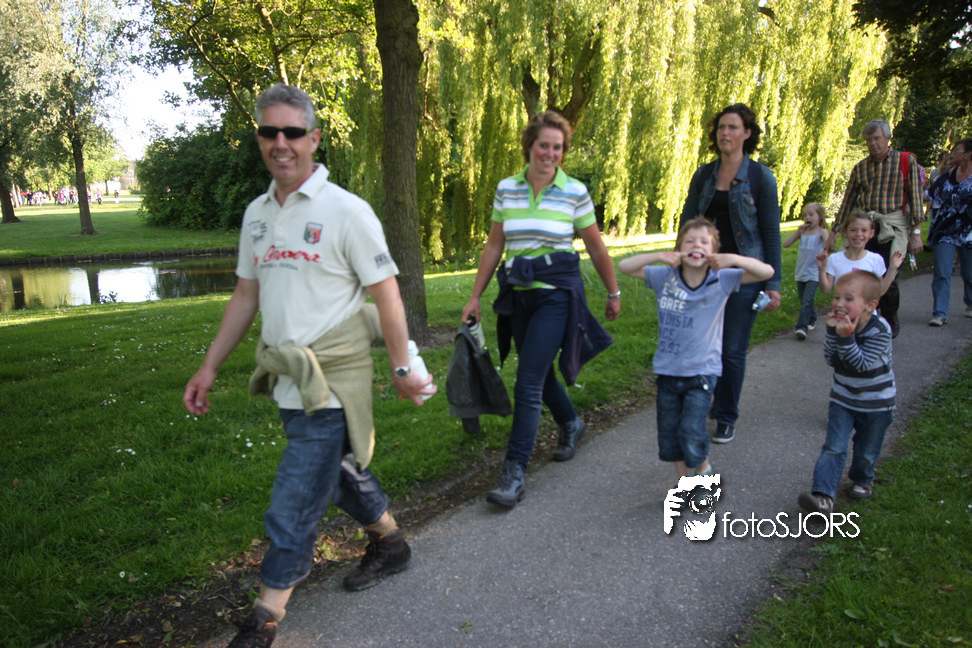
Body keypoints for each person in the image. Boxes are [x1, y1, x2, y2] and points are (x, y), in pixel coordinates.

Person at [183, 84, 435, 648]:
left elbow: (388, 296)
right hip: (288, 379)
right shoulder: (256, 215)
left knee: (294, 501)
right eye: (269, 131)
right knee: (337, 471)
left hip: (333, 382)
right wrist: (209, 368)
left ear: (313, 139)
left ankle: (264, 619)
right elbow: (246, 295)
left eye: (293, 132)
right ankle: (391, 544)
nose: (282, 143)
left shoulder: (346, 211)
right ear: (258, 138)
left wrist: (402, 369)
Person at [460, 110, 620, 509]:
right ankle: (571, 422)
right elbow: (495, 245)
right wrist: (476, 295)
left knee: (528, 381)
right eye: (544, 145)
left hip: (555, 295)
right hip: (517, 294)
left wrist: (613, 291)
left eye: (558, 147)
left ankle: (514, 472)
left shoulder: (574, 191)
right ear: (529, 146)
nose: (550, 153)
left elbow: (596, 245)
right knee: (540, 372)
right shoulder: (507, 189)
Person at [618, 217, 773, 484]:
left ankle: (704, 473)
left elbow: (766, 272)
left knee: (691, 429)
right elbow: (625, 267)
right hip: (668, 370)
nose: (696, 245)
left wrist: (734, 259)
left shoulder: (722, 279)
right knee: (670, 435)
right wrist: (659, 255)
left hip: (702, 371)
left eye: (704, 242)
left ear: (714, 251)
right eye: (689, 241)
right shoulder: (664, 277)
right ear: (679, 248)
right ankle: (683, 483)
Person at [679, 103, 782, 444]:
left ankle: (725, 416)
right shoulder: (703, 176)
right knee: (704, 344)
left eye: (733, 127)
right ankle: (708, 400)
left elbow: (770, 235)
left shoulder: (761, 178)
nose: (725, 133)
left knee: (732, 349)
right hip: (705, 275)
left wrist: (774, 283)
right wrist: (681, 267)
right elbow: (687, 225)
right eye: (721, 127)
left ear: (747, 134)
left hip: (744, 276)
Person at [798, 270, 895, 514]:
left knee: (866, 450)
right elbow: (831, 359)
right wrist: (833, 333)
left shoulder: (880, 330)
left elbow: (860, 364)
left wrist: (845, 338)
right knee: (834, 447)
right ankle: (822, 496)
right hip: (843, 399)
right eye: (837, 297)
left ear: (870, 306)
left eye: (849, 299)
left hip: (876, 403)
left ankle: (863, 478)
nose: (840, 304)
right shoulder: (837, 325)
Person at [828, 119, 925, 338]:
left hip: (893, 227)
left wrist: (916, 233)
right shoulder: (861, 167)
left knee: (889, 275)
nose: (873, 143)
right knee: (861, 275)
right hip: (865, 228)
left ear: (888, 138)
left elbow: (916, 198)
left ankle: (889, 318)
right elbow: (848, 202)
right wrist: (834, 233)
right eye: (869, 140)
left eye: (877, 138)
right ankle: (862, 319)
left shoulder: (905, 161)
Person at [926, 138, 972, 326]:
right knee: (942, 270)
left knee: (969, 273)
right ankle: (940, 313)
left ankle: (970, 302)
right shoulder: (947, 175)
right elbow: (930, 194)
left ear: (968, 154)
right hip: (945, 229)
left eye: (957, 150)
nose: (953, 153)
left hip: (969, 231)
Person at [816, 209, 904, 297]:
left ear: (871, 233)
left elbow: (880, 291)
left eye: (864, 230)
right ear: (845, 232)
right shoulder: (834, 259)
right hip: (842, 306)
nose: (858, 234)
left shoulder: (875, 260)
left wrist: (892, 268)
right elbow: (826, 290)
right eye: (853, 230)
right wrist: (822, 270)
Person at [783, 202, 828, 340]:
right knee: (804, 300)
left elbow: (828, 244)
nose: (807, 217)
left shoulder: (821, 232)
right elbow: (786, 244)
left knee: (807, 300)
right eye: (805, 215)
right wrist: (798, 232)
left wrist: (826, 248)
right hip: (801, 271)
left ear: (820, 216)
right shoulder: (802, 232)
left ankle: (801, 327)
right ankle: (812, 317)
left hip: (814, 272)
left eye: (811, 214)